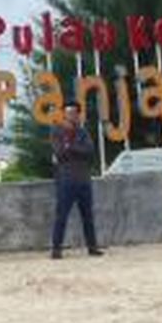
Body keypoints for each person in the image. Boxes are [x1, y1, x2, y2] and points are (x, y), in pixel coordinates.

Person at [49, 101, 104, 259]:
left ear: (78, 114)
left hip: (83, 179)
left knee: (88, 216)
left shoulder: (82, 132)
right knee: (61, 215)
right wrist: (74, 149)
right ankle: (56, 249)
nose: (70, 115)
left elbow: (90, 151)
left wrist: (70, 147)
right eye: (67, 112)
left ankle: (92, 247)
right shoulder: (56, 131)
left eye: (73, 112)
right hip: (65, 180)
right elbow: (59, 152)